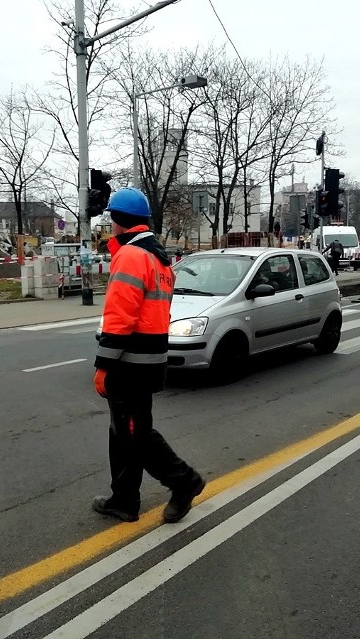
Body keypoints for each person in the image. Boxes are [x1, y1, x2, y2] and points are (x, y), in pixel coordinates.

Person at [92, 187, 205, 524]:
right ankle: (124, 499)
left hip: (130, 363)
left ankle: (184, 481)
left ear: (116, 220)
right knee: (122, 431)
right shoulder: (158, 258)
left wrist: (103, 365)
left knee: (135, 434)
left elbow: (120, 317)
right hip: (151, 358)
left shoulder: (130, 256)